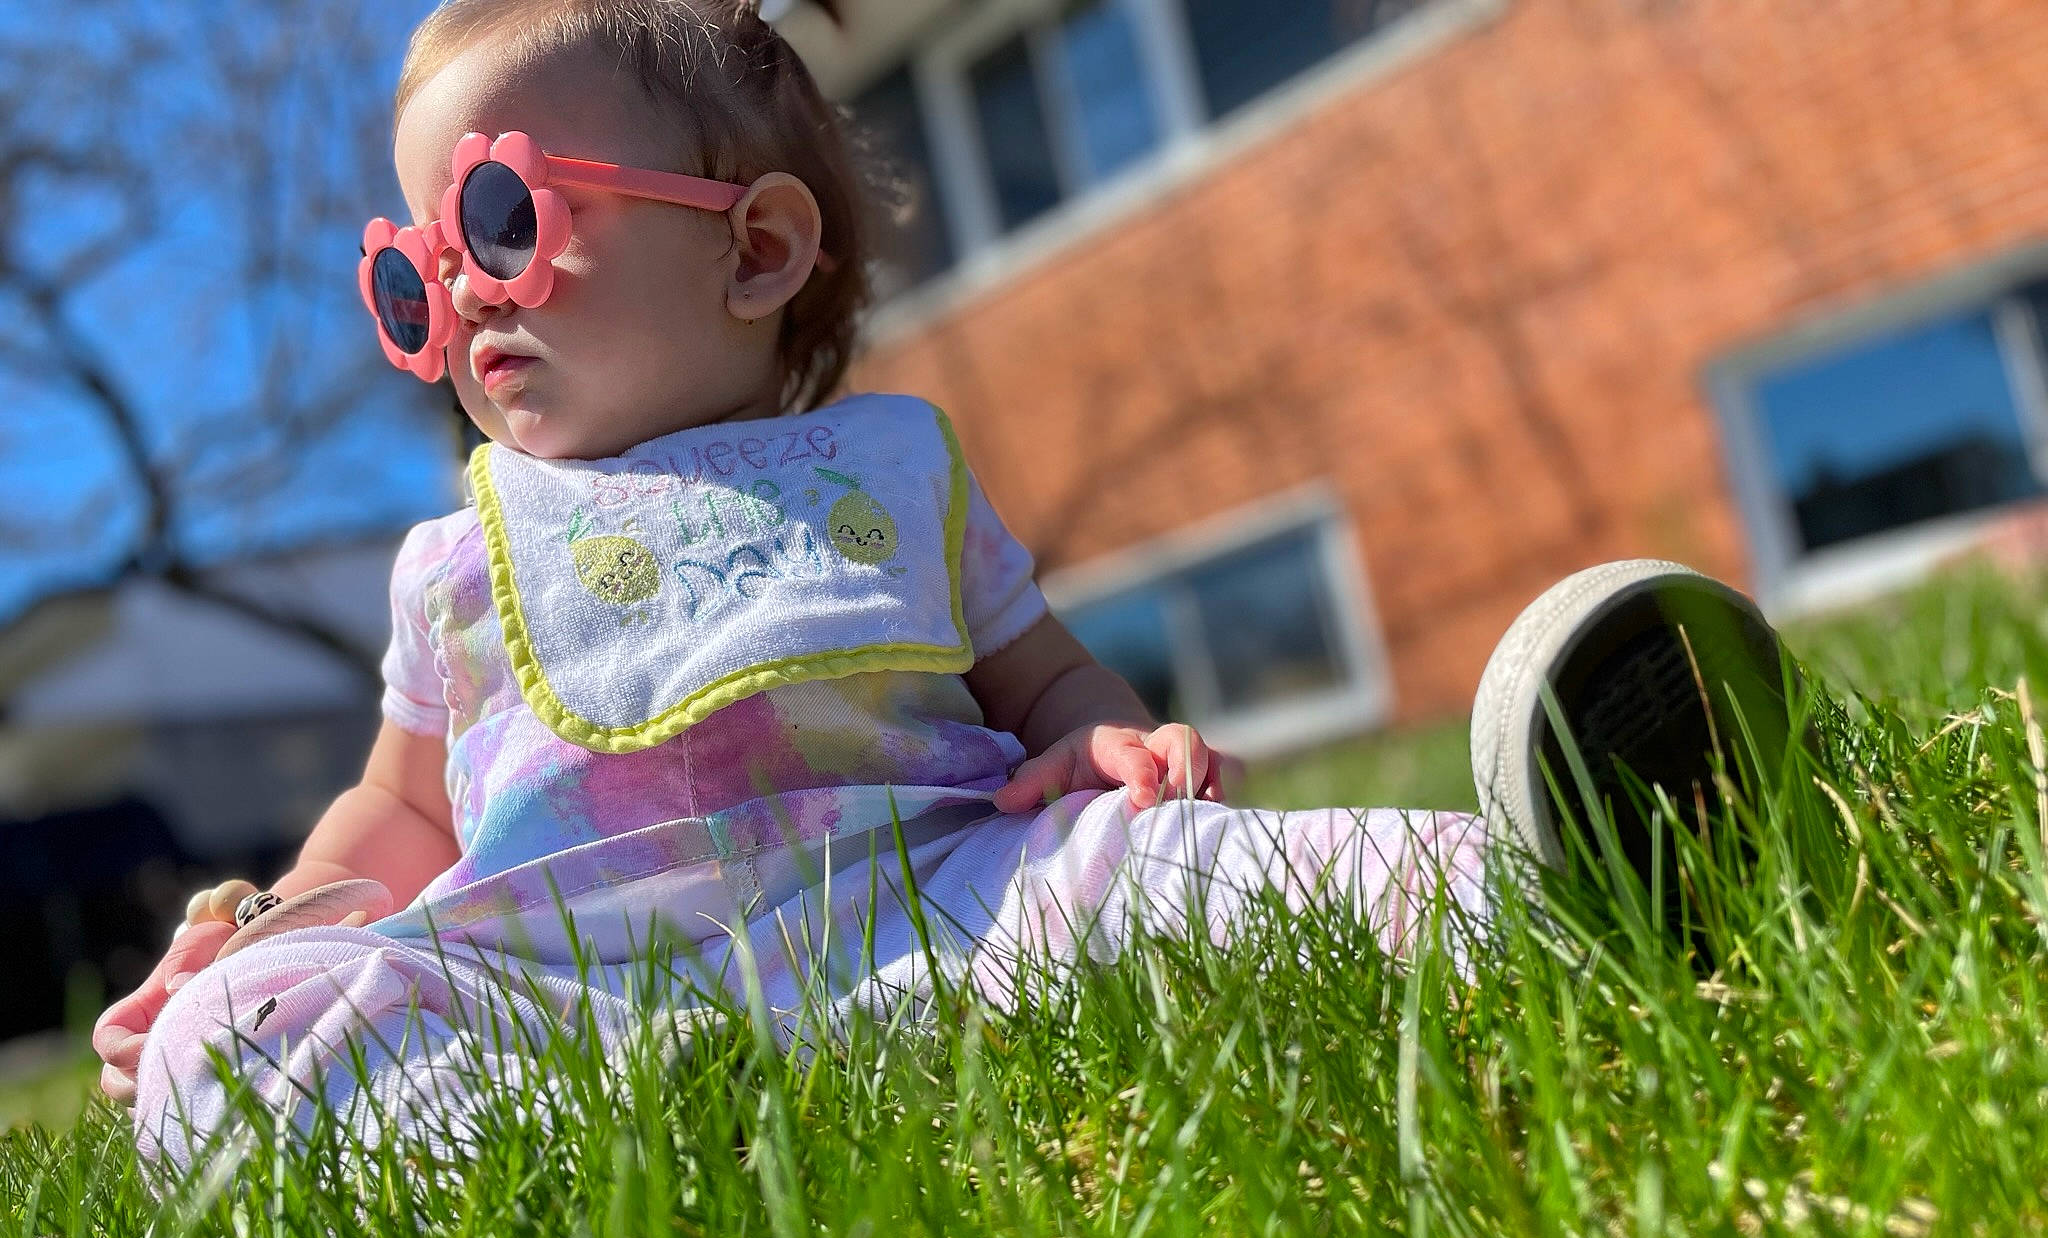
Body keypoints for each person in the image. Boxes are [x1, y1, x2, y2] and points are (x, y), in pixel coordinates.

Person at [92, 0, 1794, 1168]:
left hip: (947, 909)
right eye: (417, 274)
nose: (460, 301)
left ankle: (1574, 866)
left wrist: (1108, 750)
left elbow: (1039, 679)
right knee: (229, 1052)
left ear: (755, 249)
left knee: (1182, 879)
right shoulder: (452, 566)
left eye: (500, 218)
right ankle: (560, 1143)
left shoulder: (896, 479)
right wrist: (263, 930)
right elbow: (394, 822)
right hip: (586, 995)